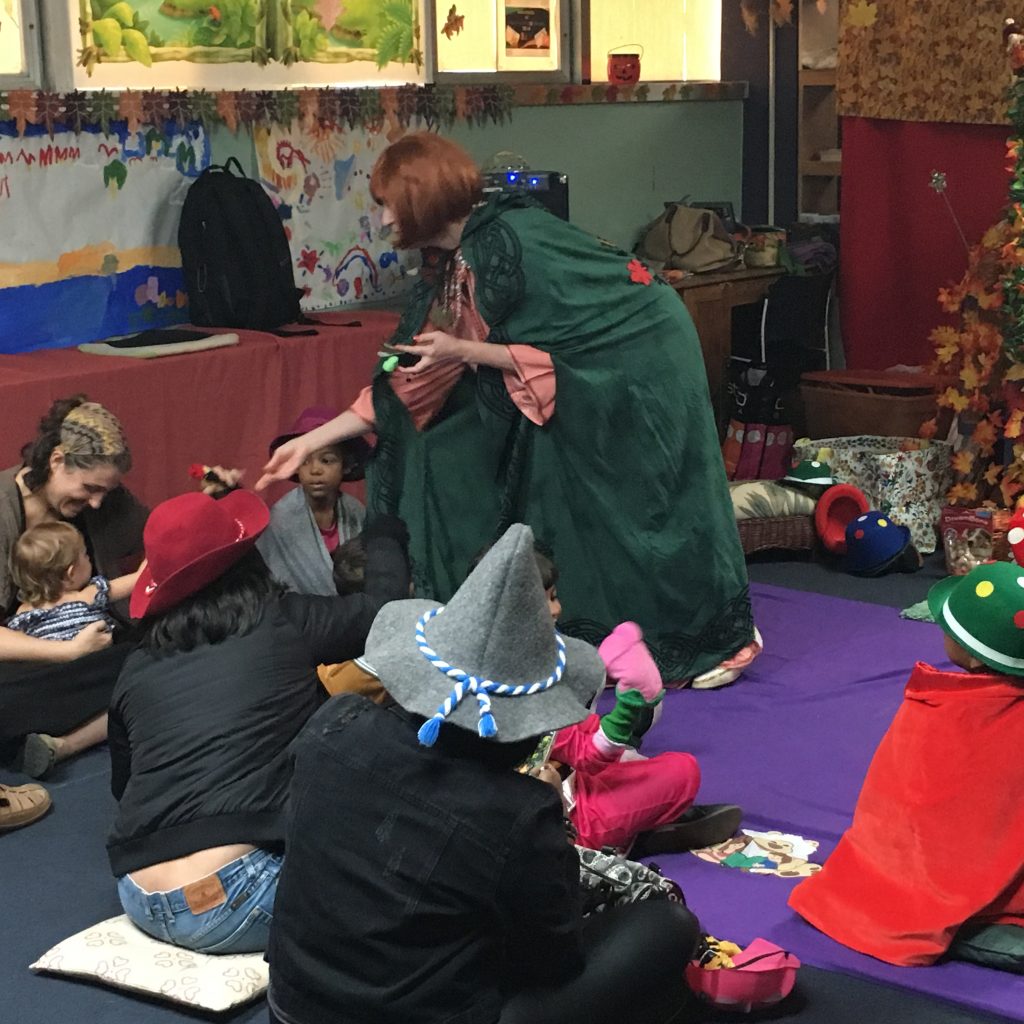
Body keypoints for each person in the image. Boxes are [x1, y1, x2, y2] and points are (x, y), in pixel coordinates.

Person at [257, 132, 757, 686]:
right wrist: (310, 440)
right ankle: (480, 628)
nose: (380, 222)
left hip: (639, 358)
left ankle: (714, 641)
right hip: (562, 368)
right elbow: (403, 385)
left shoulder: (512, 242)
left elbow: (570, 340)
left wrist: (464, 351)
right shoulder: (451, 263)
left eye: (385, 204)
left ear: (420, 197)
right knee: (452, 450)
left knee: (642, 504)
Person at [267, 524, 701, 1024]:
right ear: (525, 723)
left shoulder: (335, 723)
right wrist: (552, 839)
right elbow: (551, 960)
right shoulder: (518, 810)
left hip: (293, 1006)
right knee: (666, 927)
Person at [107, 490, 411, 954]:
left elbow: (122, 786)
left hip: (138, 895)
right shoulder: (282, 620)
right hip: (238, 894)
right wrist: (386, 533)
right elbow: (384, 613)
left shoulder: (136, 665)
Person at [789, 562, 1024, 968]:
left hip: (941, 883)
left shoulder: (938, 707)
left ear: (967, 653)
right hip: (1000, 875)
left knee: (898, 893)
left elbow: (903, 808)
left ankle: (964, 926)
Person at [0, 396, 146, 777]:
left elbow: (161, 537)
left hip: (89, 658)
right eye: (89, 488)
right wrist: (65, 652)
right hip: (23, 666)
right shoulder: (3, 512)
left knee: (164, 651)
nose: (97, 503)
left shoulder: (104, 501)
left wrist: (211, 499)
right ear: (57, 461)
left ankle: (58, 744)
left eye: (106, 492)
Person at [4, 522, 143, 775]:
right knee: (126, 698)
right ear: (70, 573)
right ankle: (67, 744)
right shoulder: (87, 595)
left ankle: (54, 742)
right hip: (98, 677)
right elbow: (138, 579)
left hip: (53, 691)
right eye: (85, 555)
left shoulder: (23, 614)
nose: (89, 558)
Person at [256, 407, 370, 595]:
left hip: (355, 615)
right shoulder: (280, 520)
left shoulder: (356, 512)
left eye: (326, 461)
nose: (315, 470)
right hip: (298, 620)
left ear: (346, 465)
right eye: (304, 461)